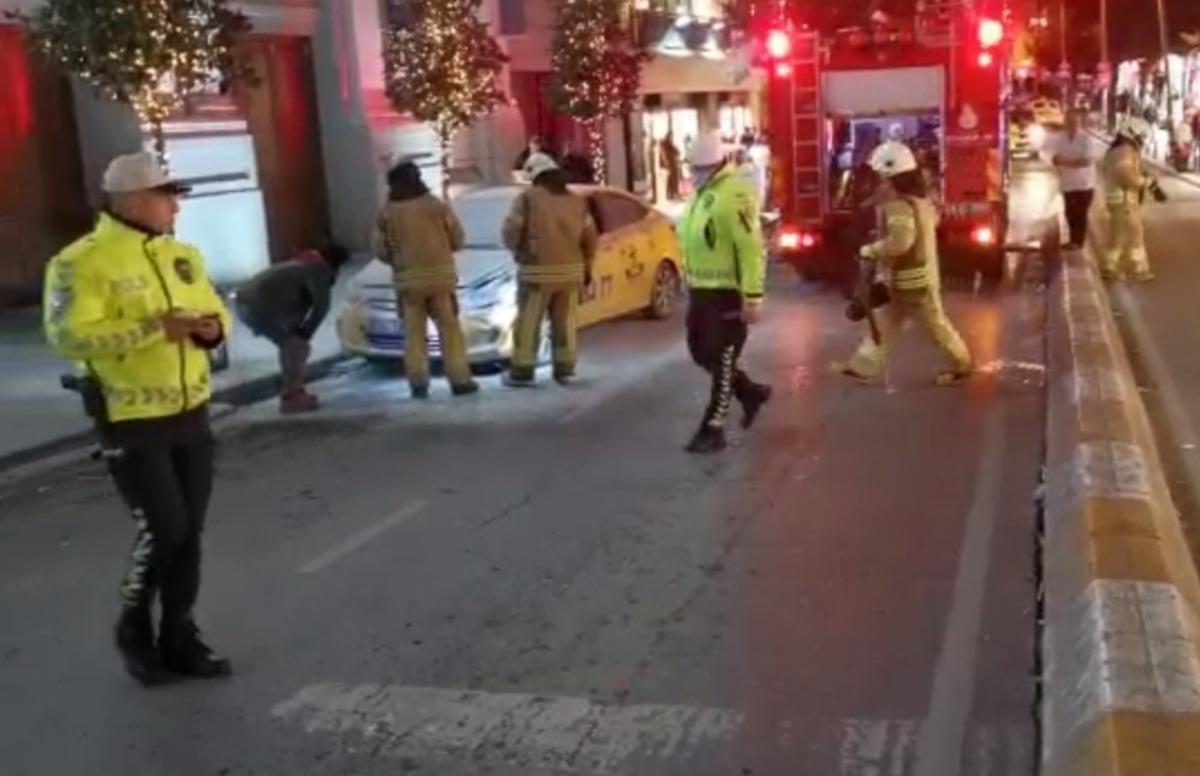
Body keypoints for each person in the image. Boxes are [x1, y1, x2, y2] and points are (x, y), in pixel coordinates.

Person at [43, 151, 233, 685]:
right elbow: (68, 336)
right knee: (163, 530)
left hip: (190, 410)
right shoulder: (79, 261)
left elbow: (215, 311)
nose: (176, 205)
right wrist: (153, 330)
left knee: (189, 533)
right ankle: (133, 629)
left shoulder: (183, 255)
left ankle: (180, 636)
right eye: (167, 195)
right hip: (130, 416)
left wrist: (211, 331)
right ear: (133, 200)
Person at [839, 142, 973, 386]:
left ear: (891, 177)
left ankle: (962, 365)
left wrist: (870, 250)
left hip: (915, 281)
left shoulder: (899, 205)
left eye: (880, 177)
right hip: (905, 279)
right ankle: (863, 367)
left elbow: (901, 241)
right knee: (884, 323)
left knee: (936, 327)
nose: (877, 182)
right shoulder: (920, 201)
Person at [677, 131, 773, 454]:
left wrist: (753, 295)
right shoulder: (701, 194)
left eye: (698, 167)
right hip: (700, 290)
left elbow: (750, 248)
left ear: (716, 165)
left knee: (722, 357)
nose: (693, 173)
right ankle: (748, 392)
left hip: (727, 294)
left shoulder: (735, 194)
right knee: (699, 351)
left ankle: (713, 428)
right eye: (692, 167)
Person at [374, 160, 479, 398]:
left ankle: (418, 382)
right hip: (441, 279)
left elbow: (379, 249)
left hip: (408, 282)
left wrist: (399, 260)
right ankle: (460, 379)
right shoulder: (436, 206)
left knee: (413, 335)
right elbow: (458, 238)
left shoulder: (388, 213)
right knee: (449, 331)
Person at [501, 153, 598, 387]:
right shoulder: (576, 201)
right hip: (571, 273)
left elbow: (511, 231)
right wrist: (587, 267)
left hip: (537, 272)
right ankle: (565, 368)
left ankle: (522, 371)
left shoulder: (527, 199)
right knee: (564, 323)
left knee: (529, 322)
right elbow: (590, 237)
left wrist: (518, 251)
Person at [234, 244, 351, 413]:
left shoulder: (301, 263)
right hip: (257, 306)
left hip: (249, 304)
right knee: (297, 346)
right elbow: (321, 307)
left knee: (290, 343)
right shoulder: (318, 269)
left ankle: (292, 390)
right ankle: (292, 396)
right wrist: (306, 332)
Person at [1101, 117, 1157, 283]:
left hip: (1121, 200)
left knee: (1121, 234)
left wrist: (1149, 179)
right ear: (1132, 133)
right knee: (1132, 236)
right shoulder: (1125, 151)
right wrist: (1143, 182)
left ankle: (1112, 268)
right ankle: (1136, 270)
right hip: (1124, 200)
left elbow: (1135, 169)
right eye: (1141, 136)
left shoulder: (1122, 150)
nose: (1142, 139)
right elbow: (1126, 176)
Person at [1049, 106, 1098, 250]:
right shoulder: (1060, 138)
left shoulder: (1086, 139)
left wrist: (1066, 162)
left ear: (1079, 122)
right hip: (1068, 184)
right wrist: (1065, 161)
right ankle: (1073, 240)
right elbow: (1055, 158)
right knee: (1069, 213)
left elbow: (1086, 161)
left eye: (1074, 121)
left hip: (1084, 185)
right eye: (1068, 120)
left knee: (1080, 214)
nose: (1071, 123)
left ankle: (1078, 242)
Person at [660, 134, 682, 200]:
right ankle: (671, 194)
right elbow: (675, 153)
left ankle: (673, 193)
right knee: (671, 180)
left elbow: (678, 152)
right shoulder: (665, 146)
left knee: (673, 180)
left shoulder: (670, 146)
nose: (671, 139)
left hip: (673, 164)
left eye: (671, 137)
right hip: (670, 165)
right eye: (670, 137)